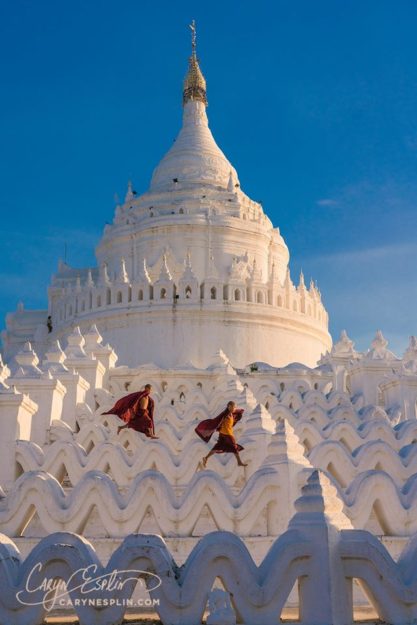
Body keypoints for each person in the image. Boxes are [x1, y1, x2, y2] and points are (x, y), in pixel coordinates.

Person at [195, 401, 247, 468]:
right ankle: (239, 462)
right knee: (234, 446)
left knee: (218, 446)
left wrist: (240, 412)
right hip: (227, 434)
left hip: (224, 433)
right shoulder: (225, 414)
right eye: (232, 407)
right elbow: (218, 420)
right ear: (228, 407)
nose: (233, 408)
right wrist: (215, 427)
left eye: (234, 407)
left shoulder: (231, 414)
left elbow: (236, 414)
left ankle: (206, 457)